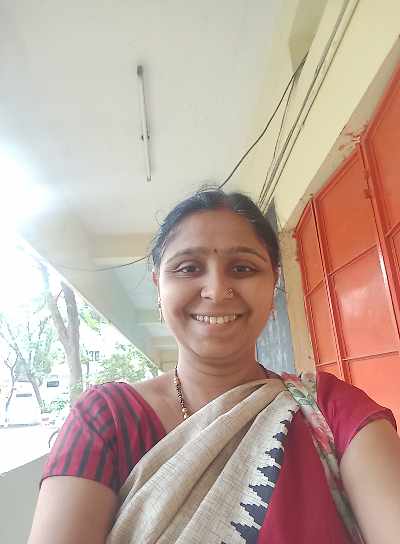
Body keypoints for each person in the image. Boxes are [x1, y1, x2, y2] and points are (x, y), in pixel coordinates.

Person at [28, 188, 400, 544]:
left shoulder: (329, 410)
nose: (217, 290)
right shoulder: (106, 421)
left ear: (273, 283)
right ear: (158, 286)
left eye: (243, 268)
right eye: (189, 268)